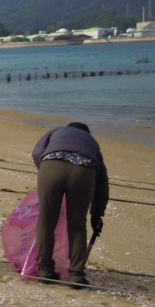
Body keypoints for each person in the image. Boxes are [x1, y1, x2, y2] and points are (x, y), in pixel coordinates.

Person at [31, 122, 109, 289]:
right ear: (86, 132)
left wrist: (45, 170)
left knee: (46, 222)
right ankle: (76, 276)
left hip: (51, 165)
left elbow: (37, 152)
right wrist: (97, 214)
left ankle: (45, 271)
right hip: (83, 170)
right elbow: (102, 182)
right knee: (77, 225)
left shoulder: (55, 131)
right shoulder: (92, 141)